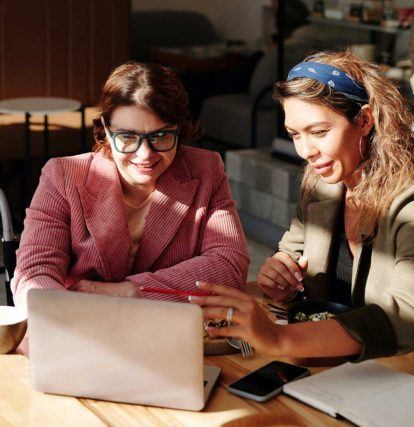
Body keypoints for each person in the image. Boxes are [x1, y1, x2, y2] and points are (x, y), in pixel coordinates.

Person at [190, 50, 414, 362]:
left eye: (320, 132)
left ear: (364, 120)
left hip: (395, 370)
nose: (305, 151)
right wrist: (283, 277)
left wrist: (279, 338)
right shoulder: (323, 182)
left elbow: (405, 315)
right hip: (335, 363)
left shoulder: (408, 200)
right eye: (295, 135)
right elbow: (293, 252)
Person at [12, 62, 249, 308]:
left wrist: (131, 291)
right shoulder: (62, 176)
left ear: (179, 129)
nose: (145, 154)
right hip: (84, 326)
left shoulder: (206, 169)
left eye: (160, 136)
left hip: (173, 329)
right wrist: (65, 313)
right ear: (106, 128)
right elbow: (34, 273)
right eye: (127, 137)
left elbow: (229, 265)